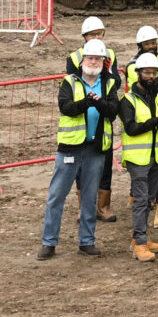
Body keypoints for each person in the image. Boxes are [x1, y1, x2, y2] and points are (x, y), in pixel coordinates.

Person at [40, 38, 118, 259]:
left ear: (104, 62)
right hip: (70, 149)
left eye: (98, 59)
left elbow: (113, 111)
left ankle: (87, 241)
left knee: (90, 198)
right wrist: (87, 102)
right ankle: (49, 242)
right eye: (90, 58)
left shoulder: (109, 84)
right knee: (57, 195)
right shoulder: (69, 82)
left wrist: (98, 102)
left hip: (95, 149)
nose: (94, 62)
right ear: (83, 60)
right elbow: (66, 108)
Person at [119, 50, 158, 261]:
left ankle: (140, 238)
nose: (150, 77)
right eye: (147, 72)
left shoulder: (155, 97)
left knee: (148, 200)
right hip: (138, 159)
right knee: (140, 202)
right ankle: (139, 244)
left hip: (154, 156)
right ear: (138, 73)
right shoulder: (127, 100)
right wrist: (155, 122)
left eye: (154, 73)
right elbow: (131, 128)